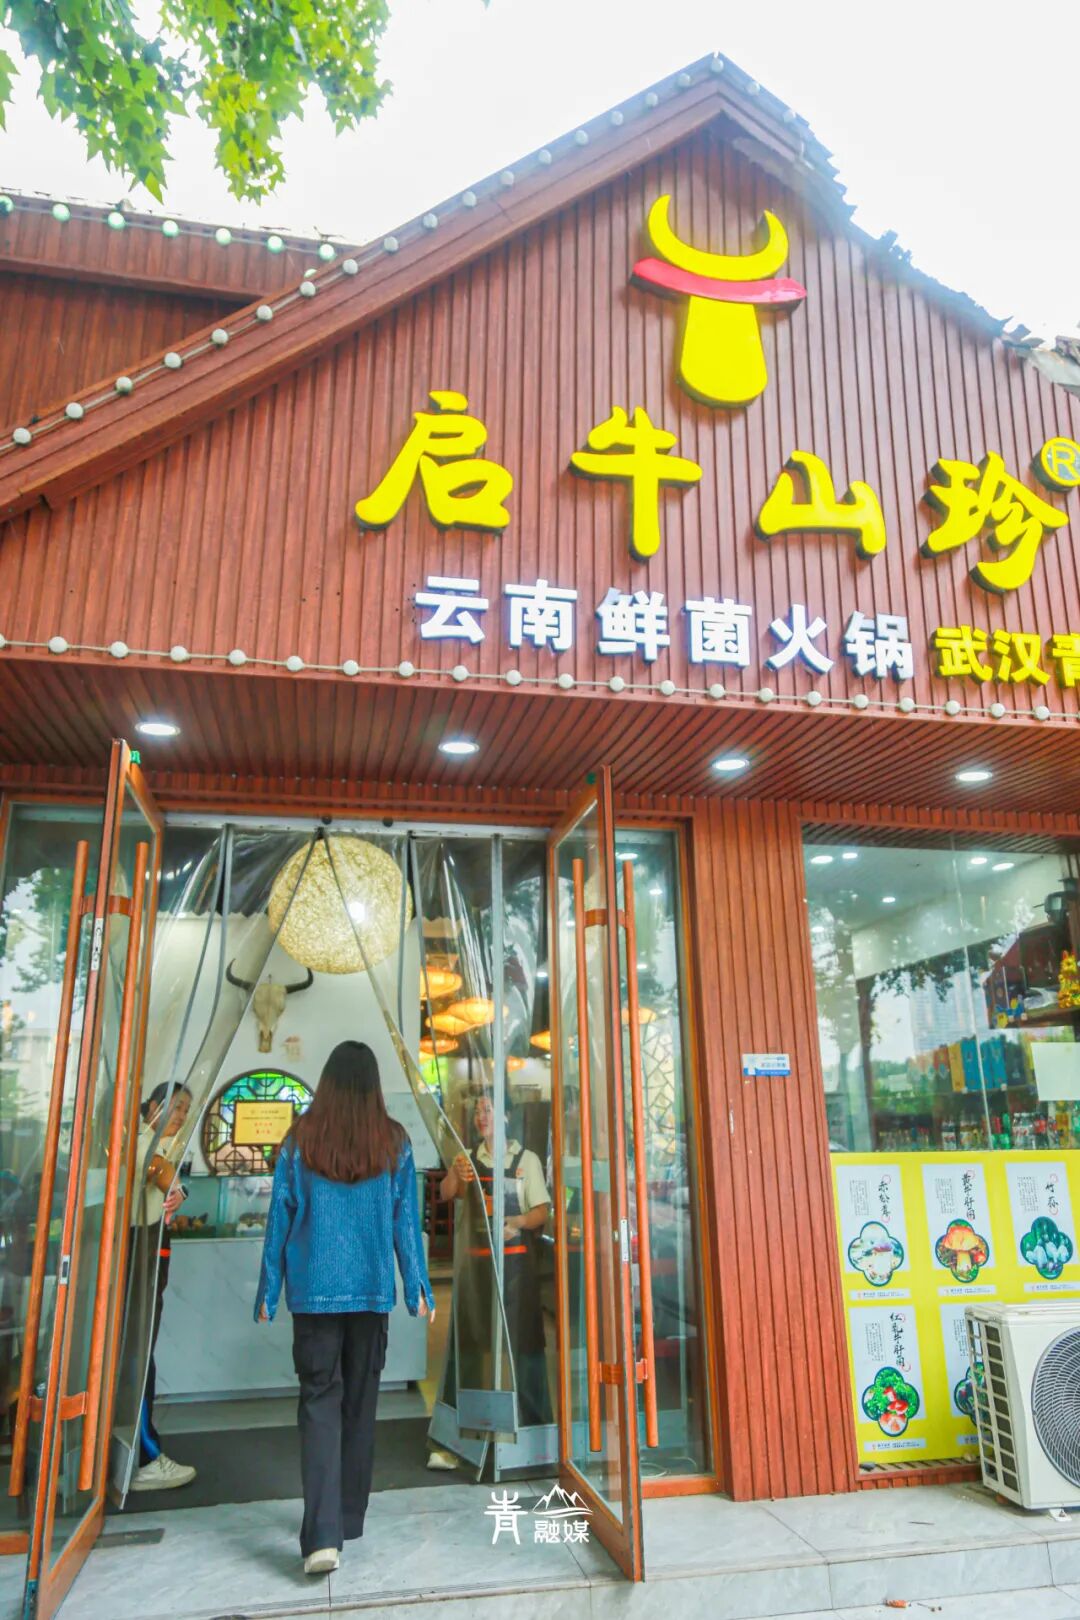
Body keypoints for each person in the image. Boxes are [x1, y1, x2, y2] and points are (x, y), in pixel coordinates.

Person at [256, 1040, 434, 1577]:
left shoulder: (300, 1140)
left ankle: (322, 1538)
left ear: (327, 1083)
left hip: (314, 1297)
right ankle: (348, 1518)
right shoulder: (394, 1142)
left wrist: (268, 1290)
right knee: (359, 1407)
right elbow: (406, 1220)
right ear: (373, 1086)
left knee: (318, 1404)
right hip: (370, 1295)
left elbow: (280, 1217)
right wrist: (417, 1285)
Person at [440, 1090, 553, 1426]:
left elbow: (541, 1211)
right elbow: (447, 1193)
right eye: (478, 1111)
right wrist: (454, 1174)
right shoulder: (467, 1158)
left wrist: (517, 1222)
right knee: (469, 1345)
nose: (481, 1117)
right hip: (477, 1269)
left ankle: (534, 1423)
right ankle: (465, 1420)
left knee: (526, 1346)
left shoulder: (526, 1160)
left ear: (505, 1115)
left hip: (517, 1269)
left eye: (488, 1109)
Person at [129, 1082, 197, 1491]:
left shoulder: (162, 1143)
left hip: (150, 1252)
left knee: (141, 1354)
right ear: (153, 1107)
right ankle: (145, 1458)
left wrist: (180, 1189)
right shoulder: (142, 1141)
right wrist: (176, 1187)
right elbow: (157, 1170)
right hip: (137, 1256)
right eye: (176, 1107)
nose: (181, 1115)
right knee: (137, 1358)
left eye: (186, 1109)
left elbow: (170, 1178)